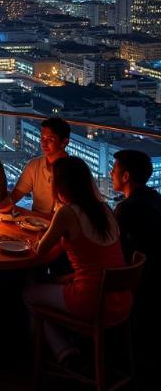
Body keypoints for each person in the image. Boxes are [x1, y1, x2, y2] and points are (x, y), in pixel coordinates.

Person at [25, 156, 131, 366]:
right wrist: (72, 276)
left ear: (60, 185)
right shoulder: (105, 210)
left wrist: (35, 238)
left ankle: (61, 353)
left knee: (29, 293)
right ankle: (68, 347)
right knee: (53, 284)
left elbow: (40, 251)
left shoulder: (67, 213)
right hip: (120, 300)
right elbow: (102, 260)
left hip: (92, 302)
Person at [111, 149, 161, 340]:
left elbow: (114, 248)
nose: (110, 173)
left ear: (125, 176)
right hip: (150, 282)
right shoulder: (154, 198)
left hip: (132, 286)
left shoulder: (128, 209)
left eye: (113, 169)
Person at [7, 118, 70, 215]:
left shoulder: (75, 171)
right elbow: (15, 196)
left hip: (63, 227)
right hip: (35, 224)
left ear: (64, 142)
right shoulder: (34, 165)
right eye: (42, 138)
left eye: (50, 139)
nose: (44, 143)